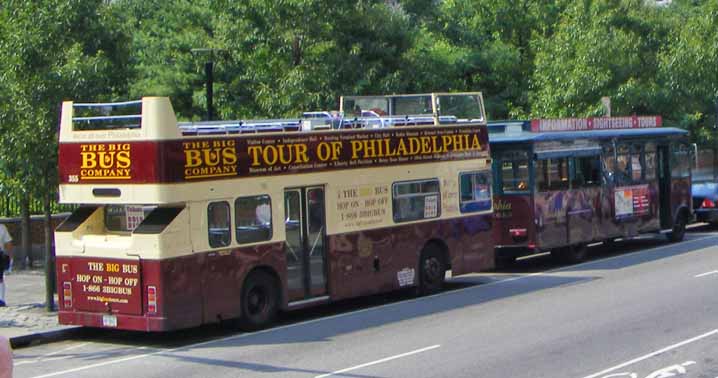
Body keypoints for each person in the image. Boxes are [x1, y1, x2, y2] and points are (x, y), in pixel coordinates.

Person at [0, 223, 14, 307]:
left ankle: (1, 299)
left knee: (0, 278)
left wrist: (10, 257)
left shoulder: (1, 228)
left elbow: (8, 243)